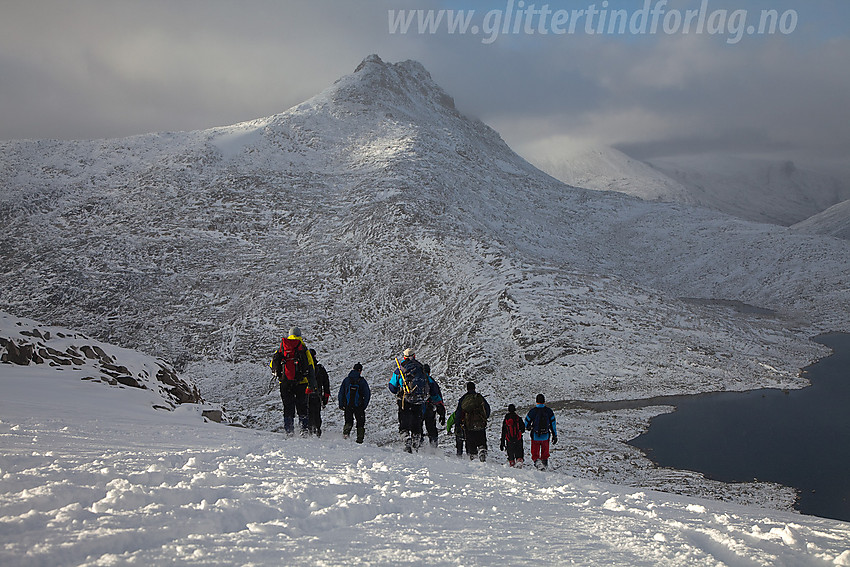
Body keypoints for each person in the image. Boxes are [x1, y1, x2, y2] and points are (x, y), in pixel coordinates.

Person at [388, 348, 439, 453]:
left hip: (405, 401)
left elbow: (392, 387)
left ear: (404, 357)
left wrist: (400, 388)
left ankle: (406, 438)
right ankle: (416, 440)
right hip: (419, 401)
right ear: (414, 356)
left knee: (404, 422)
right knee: (416, 422)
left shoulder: (400, 370)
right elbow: (432, 387)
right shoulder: (421, 369)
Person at [270, 326, 317, 436]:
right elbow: (311, 367)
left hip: (285, 383)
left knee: (288, 407)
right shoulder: (303, 348)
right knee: (302, 407)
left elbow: (272, 364)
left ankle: (289, 431)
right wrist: (311, 385)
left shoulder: (282, 347)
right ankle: (304, 430)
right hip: (301, 382)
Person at [455, 381, 491, 462]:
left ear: (467, 388)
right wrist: (484, 418)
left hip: (469, 425)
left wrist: (458, 424)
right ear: (474, 388)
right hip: (481, 424)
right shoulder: (479, 397)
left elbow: (459, 413)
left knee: (471, 441)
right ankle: (482, 450)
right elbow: (487, 408)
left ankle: (473, 455)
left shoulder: (463, 399)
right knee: (481, 439)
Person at [338, 363, 370, 443]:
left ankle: (345, 436)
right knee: (360, 423)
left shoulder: (347, 380)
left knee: (348, 421)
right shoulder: (362, 381)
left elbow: (341, 393)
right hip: (359, 406)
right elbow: (367, 394)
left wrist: (341, 404)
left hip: (348, 405)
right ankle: (360, 439)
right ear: (360, 370)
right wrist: (364, 406)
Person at [524, 394, 558, 470]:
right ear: (544, 401)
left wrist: (528, 427)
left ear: (536, 401)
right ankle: (544, 466)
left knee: (535, 454)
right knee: (545, 454)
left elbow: (526, 422)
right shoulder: (549, 411)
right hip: (545, 436)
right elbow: (553, 424)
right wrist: (554, 435)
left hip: (535, 436)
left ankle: (538, 464)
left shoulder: (533, 411)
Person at [306, 348, 331, 437]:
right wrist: (326, 397)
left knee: (307, 413)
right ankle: (317, 430)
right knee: (316, 413)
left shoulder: (304, 368)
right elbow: (326, 384)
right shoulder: (320, 369)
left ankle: (308, 431)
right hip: (317, 395)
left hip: (306, 395)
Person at [421, 364, 446, 448]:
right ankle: (433, 447)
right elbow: (437, 397)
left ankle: (418, 445)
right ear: (429, 371)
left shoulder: (417, 380)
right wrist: (442, 413)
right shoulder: (431, 381)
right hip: (429, 408)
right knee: (431, 427)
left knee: (418, 426)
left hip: (418, 407)